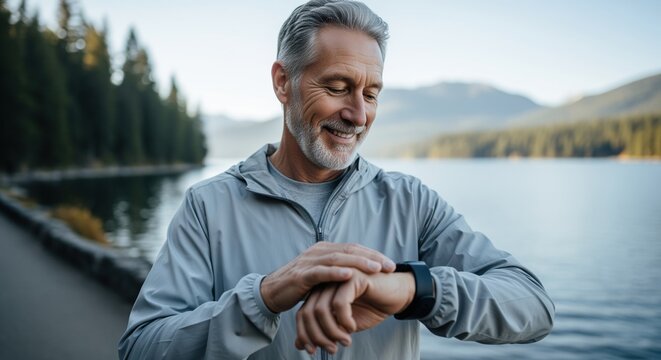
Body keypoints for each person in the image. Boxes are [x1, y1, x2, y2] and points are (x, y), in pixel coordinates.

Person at [118, 0, 555, 359]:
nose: (358, 115)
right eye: (337, 87)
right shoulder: (208, 206)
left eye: (370, 94)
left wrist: (409, 288)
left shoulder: (411, 202)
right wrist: (265, 297)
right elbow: (140, 349)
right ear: (283, 81)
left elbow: (533, 306)